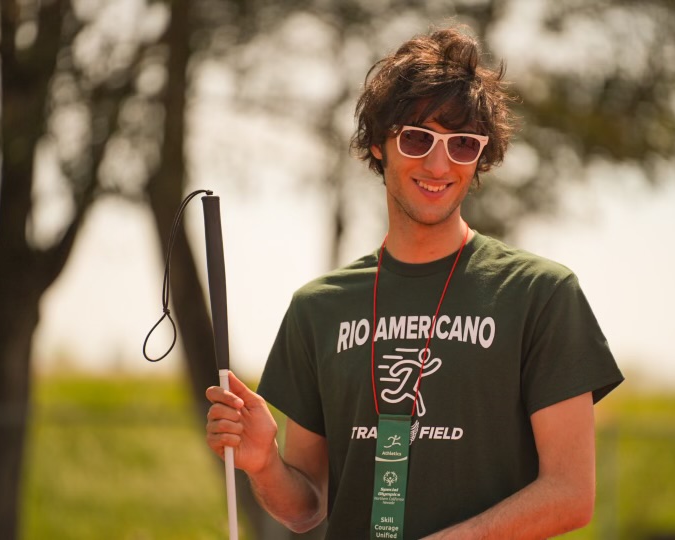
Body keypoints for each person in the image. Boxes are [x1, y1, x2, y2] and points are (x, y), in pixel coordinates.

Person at [206, 25, 624, 539]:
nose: (438, 163)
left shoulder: (541, 294)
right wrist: (264, 463)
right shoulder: (317, 309)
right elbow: (305, 508)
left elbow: (570, 494)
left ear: (481, 157)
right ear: (378, 145)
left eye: (463, 144)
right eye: (417, 137)